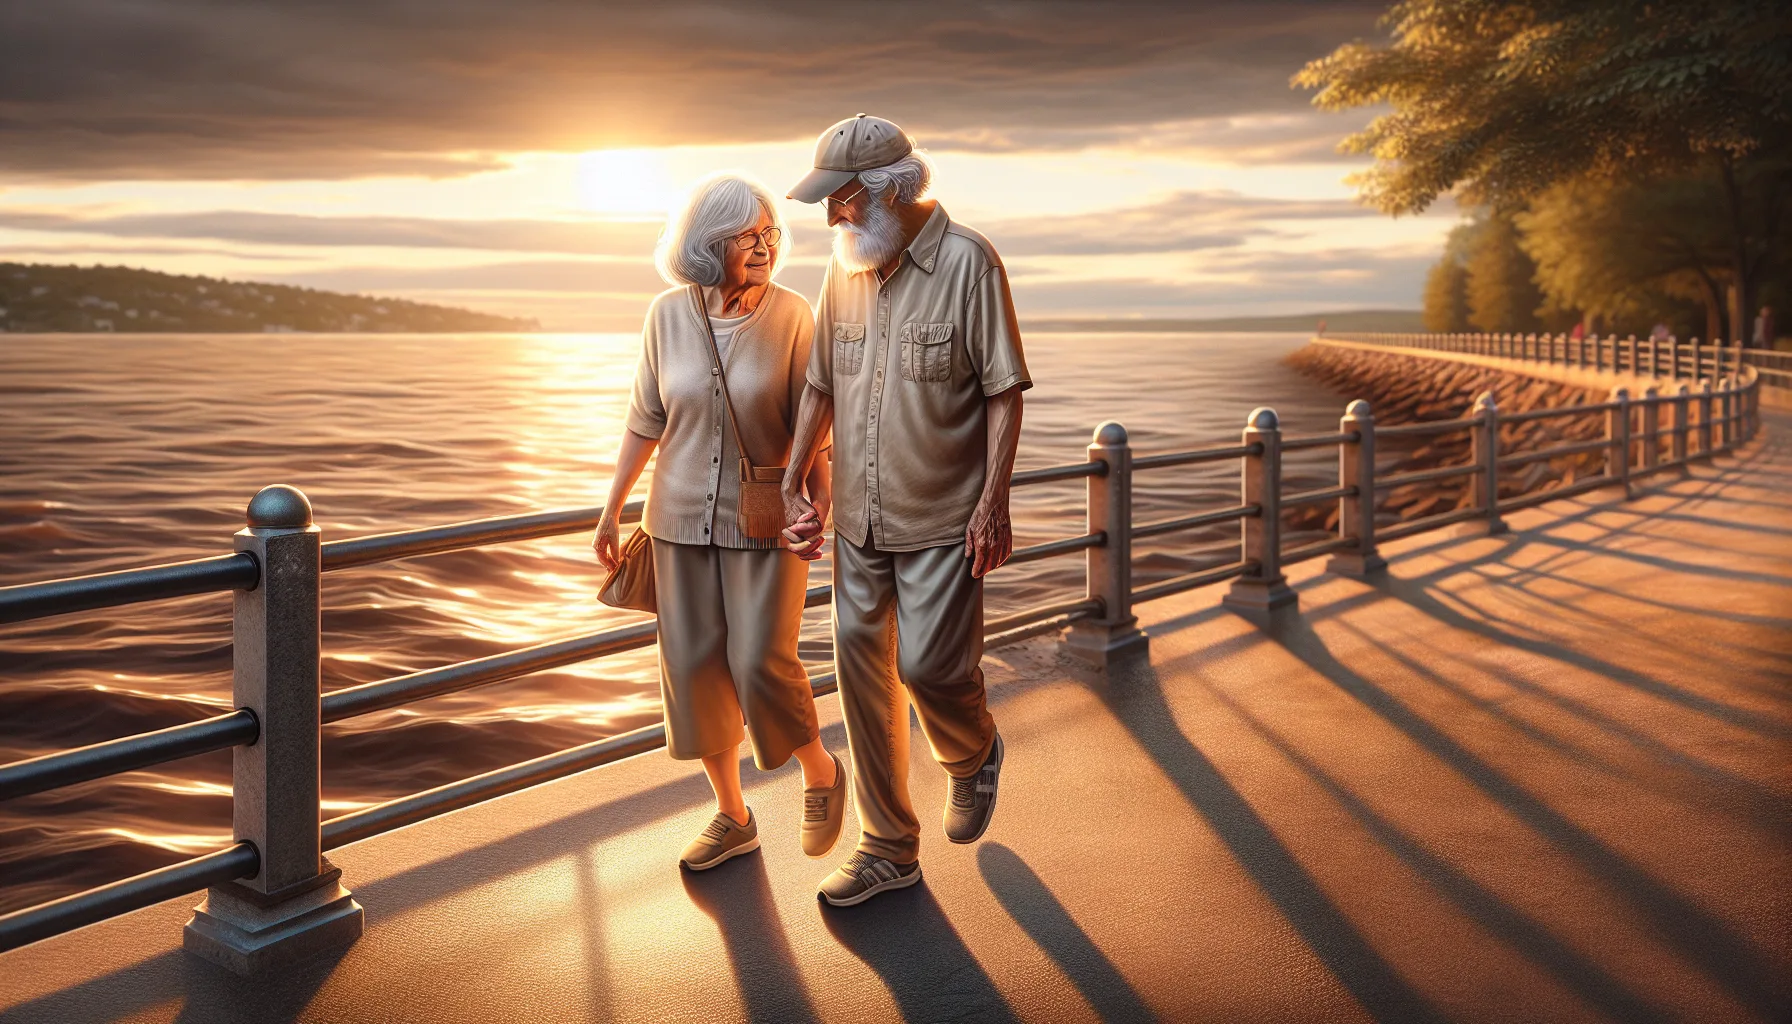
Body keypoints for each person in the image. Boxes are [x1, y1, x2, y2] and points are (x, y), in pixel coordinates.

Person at [780, 115, 1030, 907]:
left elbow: (1003, 391)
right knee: (862, 684)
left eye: (843, 199)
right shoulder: (843, 267)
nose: (831, 217)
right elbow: (821, 382)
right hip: (858, 522)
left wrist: (994, 501)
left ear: (890, 189)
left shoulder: (971, 264)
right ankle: (888, 847)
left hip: (943, 521)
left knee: (929, 668)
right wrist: (794, 481)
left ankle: (972, 750)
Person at [593, 173, 843, 871]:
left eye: (770, 233)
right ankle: (733, 815)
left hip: (767, 520)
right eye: (746, 235)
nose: (763, 246)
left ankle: (822, 773)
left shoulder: (796, 316)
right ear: (707, 243)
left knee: (763, 661)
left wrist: (817, 508)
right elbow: (646, 418)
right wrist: (612, 509)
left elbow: (815, 429)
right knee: (694, 671)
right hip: (673, 522)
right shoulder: (666, 315)